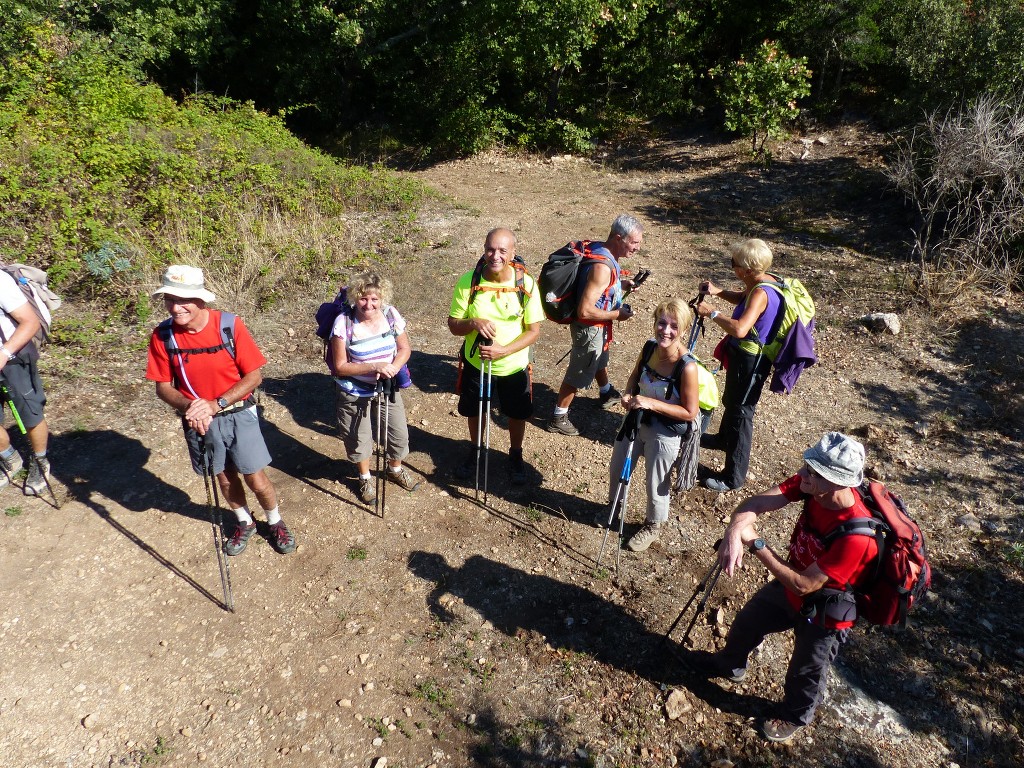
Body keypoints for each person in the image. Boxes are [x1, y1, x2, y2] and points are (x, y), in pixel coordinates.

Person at [689, 432, 877, 743]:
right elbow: (757, 503)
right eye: (806, 466)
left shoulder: (856, 536)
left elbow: (805, 585)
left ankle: (795, 716)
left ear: (837, 483)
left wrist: (756, 543)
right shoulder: (812, 487)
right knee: (748, 622)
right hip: (791, 581)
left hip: (827, 609)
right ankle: (730, 664)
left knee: (807, 670)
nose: (802, 473)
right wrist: (735, 531)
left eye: (812, 472)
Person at [145, 265, 296, 556]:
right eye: (170, 299)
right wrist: (193, 407)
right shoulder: (163, 336)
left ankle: (274, 520)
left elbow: (254, 376)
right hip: (198, 420)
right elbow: (162, 386)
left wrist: (217, 404)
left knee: (255, 476)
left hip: (238, 413)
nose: (176, 307)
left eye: (183, 299)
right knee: (223, 477)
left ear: (201, 300)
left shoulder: (228, 325)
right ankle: (244, 521)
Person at [447, 228, 543, 484]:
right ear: (484, 248)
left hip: (513, 366)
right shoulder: (469, 281)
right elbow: (454, 325)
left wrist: (504, 350)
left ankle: (515, 455)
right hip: (476, 363)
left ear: (513, 252)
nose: (495, 256)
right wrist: (473, 322)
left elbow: (534, 332)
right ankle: (476, 451)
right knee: (475, 410)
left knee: (516, 414)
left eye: (502, 250)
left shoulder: (526, 284)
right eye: (491, 249)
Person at [607, 299, 700, 551]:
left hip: (665, 431)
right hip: (636, 420)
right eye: (661, 323)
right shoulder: (649, 348)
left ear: (683, 330)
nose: (665, 331)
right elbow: (635, 376)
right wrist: (628, 394)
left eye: (673, 326)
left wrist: (650, 402)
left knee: (656, 482)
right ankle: (612, 507)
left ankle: (653, 525)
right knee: (617, 467)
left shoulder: (687, 367)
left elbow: (690, 412)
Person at [694, 238, 781, 492]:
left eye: (735, 263)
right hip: (745, 357)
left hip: (751, 360)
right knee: (732, 402)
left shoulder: (761, 293)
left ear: (748, 269)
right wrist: (719, 291)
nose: (732, 266)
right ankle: (723, 439)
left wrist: (712, 313)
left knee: (742, 413)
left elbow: (741, 328)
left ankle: (733, 477)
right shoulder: (764, 280)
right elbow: (742, 299)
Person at [546, 214, 643, 436]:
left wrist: (622, 283)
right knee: (578, 373)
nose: (638, 247)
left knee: (600, 357)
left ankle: (606, 391)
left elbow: (597, 285)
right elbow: (585, 311)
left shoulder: (603, 250)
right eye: (634, 242)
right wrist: (616, 314)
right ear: (619, 238)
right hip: (589, 329)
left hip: (598, 328)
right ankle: (558, 417)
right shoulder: (603, 267)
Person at [330, 272, 419, 503]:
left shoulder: (391, 315)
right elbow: (340, 366)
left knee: (397, 433)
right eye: (363, 299)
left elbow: (404, 349)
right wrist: (374, 366)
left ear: (382, 299)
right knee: (359, 438)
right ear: (354, 297)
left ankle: (395, 469)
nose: (368, 304)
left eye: (374, 299)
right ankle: (365, 477)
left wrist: (391, 367)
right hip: (353, 390)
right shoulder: (343, 322)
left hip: (386, 386)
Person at [0, 269, 51, 495]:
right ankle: (11, 459)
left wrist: (4, 354)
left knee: (30, 413)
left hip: (13, 356)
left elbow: (30, 323)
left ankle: (40, 462)